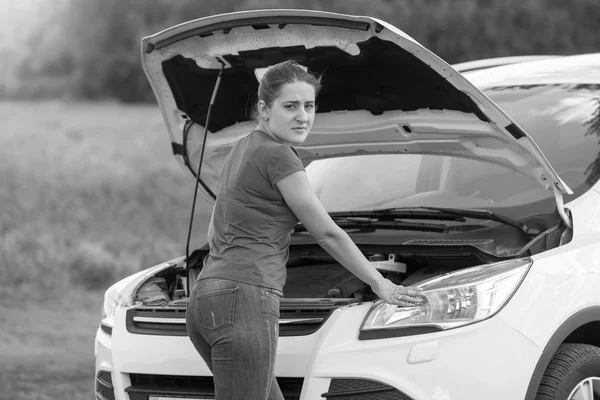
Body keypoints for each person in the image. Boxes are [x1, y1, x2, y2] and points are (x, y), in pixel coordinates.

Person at [185, 60, 425, 400]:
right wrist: (379, 282)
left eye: (309, 106)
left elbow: (213, 234)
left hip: (205, 301)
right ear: (265, 110)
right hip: (246, 300)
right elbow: (326, 233)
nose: (303, 116)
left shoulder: (241, 149)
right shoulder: (280, 156)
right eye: (291, 106)